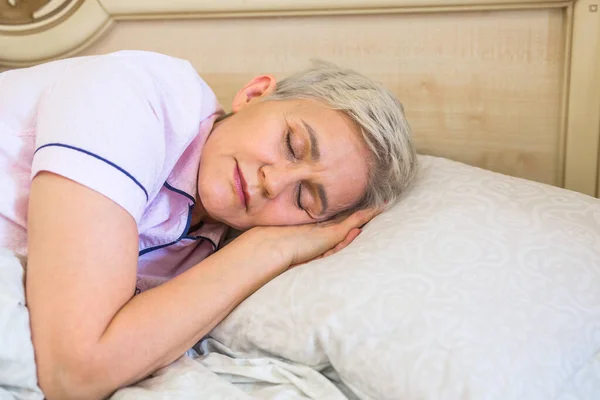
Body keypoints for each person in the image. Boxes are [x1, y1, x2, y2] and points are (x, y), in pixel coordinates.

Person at [0, 50, 417, 399]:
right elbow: (72, 371)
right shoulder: (138, 94)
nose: (275, 182)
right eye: (292, 144)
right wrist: (262, 251)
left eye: (305, 199)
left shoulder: (206, 245)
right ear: (254, 95)